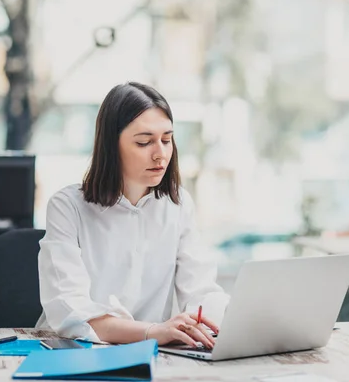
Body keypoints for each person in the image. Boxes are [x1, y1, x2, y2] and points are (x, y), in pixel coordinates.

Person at [36, 82, 229, 348]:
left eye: (166, 139)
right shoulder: (67, 206)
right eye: (144, 142)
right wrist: (153, 331)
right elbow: (72, 313)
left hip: (153, 354)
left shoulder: (179, 204)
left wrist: (229, 320)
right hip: (72, 352)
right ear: (111, 146)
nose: (160, 154)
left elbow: (201, 291)